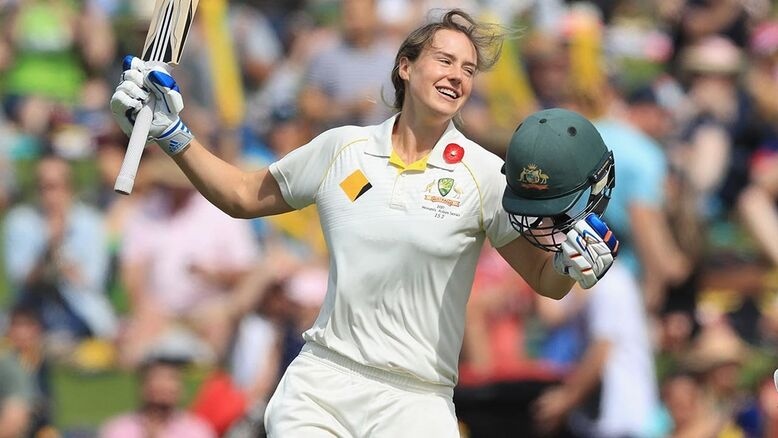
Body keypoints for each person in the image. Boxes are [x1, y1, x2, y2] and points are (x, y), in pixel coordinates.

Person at [110, 9, 618, 436]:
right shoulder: (342, 149)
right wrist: (172, 133)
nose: (457, 76)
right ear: (405, 67)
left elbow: (544, 281)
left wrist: (573, 268)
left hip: (418, 399)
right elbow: (243, 196)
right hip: (325, 383)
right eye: (444, 60)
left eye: (468, 69)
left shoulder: (485, 173)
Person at [99, 355, 217, 438]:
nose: (165, 386)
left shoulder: (196, 430)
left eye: (171, 379)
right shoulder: (120, 429)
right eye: (158, 380)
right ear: (143, 387)